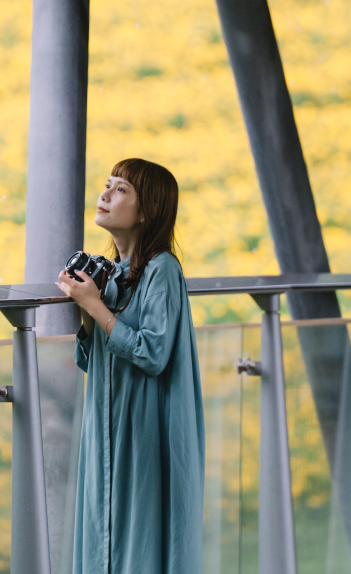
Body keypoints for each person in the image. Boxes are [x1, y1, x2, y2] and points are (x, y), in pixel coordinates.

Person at [55, 158, 204, 574]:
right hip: (106, 427)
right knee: (105, 531)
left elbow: (153, 353)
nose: (104, 195)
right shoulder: (114, 275)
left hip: (144, 431)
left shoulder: (162, 270)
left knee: (138, 540)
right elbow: (89, 359)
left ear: (146, 211)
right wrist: (89, 308)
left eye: (121, 189)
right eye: (107, 185)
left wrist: (96, 307)